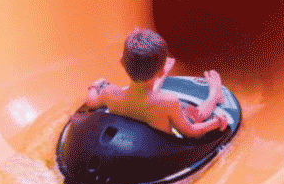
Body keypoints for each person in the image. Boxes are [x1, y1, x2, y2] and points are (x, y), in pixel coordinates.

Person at [85, 28, 229, 138]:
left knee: (147, 95)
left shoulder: (110, 93)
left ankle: (214, 95)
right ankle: (214, 95)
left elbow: (91, 102)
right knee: (194, 115)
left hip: (131, 141)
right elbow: (189, 131)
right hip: (160, 148)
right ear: (161, 70)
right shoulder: (168, 103)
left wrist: (95, 85)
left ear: (121, 62)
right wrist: (216, 122)